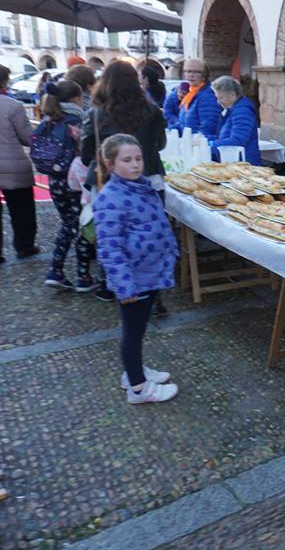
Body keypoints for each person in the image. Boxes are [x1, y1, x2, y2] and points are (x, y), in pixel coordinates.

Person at [93, 133, 179, 404]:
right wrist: (124, 285)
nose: (135, 165)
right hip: (134, 279)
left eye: (138, 158)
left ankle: (134, 371)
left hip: (149, 272)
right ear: (110, 164)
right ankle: (138, 388)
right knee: (133, 331)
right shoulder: (110, 198)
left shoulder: (141, 187)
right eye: (127, 160)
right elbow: (109, 248)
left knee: (139, 328)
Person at [80, 61, 167, 303]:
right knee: (147, 232)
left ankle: (110, 284)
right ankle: (150, 286)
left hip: (109, 181)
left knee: (110, 235)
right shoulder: (153, 111)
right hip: (148, 177)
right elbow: (160, 144)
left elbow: (86, 153)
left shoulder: (95, 114)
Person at [35, 80, 96, 291]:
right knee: (83, 226)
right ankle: (83, 276)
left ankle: (56, 270)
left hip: (54, 180)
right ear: (76, 98)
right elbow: (86, 150)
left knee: (67, 224)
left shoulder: (49, 119)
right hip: (75, 180)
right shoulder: (76, 120)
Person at [0, 64, 39, 262]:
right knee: (22, 209)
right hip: (12, 165)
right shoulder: (13, 106)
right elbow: (27, 137)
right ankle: (24, 246)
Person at [209, 75, 261, 165]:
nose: (218, 102)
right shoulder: (233, 110)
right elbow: (224, 136)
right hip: (237, 162)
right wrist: (205, 140)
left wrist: (210, 145)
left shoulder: (243, 111)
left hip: (244, 164)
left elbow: (238, 140)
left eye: (221, 97)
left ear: (233, 95)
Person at [176, 58, 221, 139]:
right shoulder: (191, 93)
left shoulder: (208, 96)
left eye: (197, 72)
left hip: (198, 143)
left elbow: (208, 126)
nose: (191, 75)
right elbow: (184, 123)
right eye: (188, 71)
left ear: (204, 75)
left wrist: (195, 141)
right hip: (188, 140)